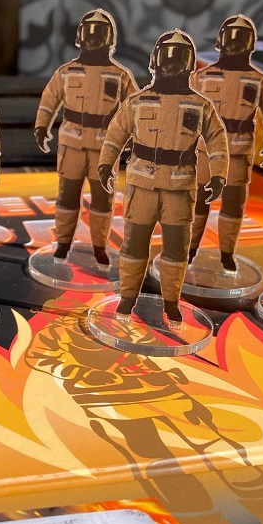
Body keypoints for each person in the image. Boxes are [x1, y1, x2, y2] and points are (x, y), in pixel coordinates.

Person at [97, 30, 228, 326]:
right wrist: (106, 164)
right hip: (141, 185)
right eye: (166, 56)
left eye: (179, 57)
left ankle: (171, 302)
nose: (172, 63)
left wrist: (218, 175)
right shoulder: (137, 102)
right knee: (134, 244)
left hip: (180, 187)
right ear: (154, 60)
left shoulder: (200, 106)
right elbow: (115, 134)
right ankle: (128, 296)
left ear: (190, 64)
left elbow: (217, 140)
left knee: (176, 248)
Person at [34, 9, 137, 266]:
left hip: (105, 147)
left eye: (99, 33)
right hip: (72, 145)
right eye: (89, 32)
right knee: (67, 196)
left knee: (102, 200)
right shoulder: (66, 72)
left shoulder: (120, 76)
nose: (93, 38)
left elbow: (134, 110)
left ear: (109, 38)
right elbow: (49, 100)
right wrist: (41, 126)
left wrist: (134, 138)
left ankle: (99, 246)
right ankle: (63, 243)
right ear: (80, 36)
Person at [188, 15, 263, 273]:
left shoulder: (258, 80)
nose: (234, 43)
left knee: (232, 205)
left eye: (241, 38)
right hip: (205, 153)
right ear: (220, 41)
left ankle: (227, 253)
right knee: (199, 203)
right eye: (230, 37)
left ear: (250, 44)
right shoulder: (202, 77)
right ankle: (190, 249)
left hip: (238, 153)